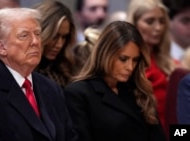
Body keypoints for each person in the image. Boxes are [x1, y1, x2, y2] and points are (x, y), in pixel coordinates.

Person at [0, 8, 77, 141]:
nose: (35, 42)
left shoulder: (51, 88)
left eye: (37, 34)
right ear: (2, 47)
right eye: (24, 35)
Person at [64, 21, 166, 141]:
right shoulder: (78, 93)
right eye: (123, 59)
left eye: (135, 60)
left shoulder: (139, 90)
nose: (130, 67)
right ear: (105, 54)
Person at [126, 0, 175, 134]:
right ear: (134, 24)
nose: (158, 28)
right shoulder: (126, 66)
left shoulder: (171, 65)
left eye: (162, 21)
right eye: (150, 21)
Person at [33, 1, 77, 88]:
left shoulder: (66, 71)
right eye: (54, 37)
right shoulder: (22, 69)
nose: (59, 45)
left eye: (64, 37)